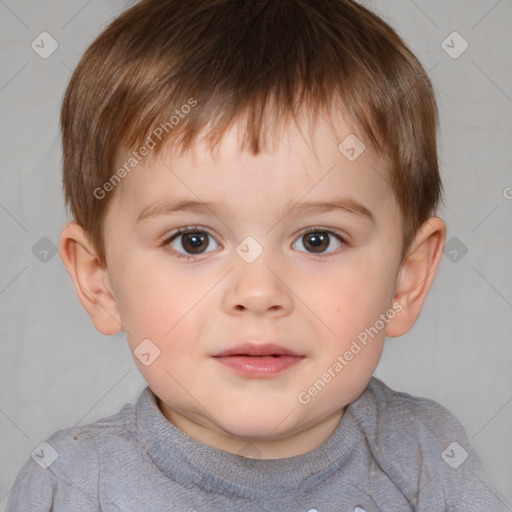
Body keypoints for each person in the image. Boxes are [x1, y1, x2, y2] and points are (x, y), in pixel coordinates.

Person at [6, 0, 511, 510]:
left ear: (407, 279)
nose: (258, 293)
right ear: (101, 281)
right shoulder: (69, 485)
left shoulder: (428, 459)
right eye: (193, 240)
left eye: (318, 239)